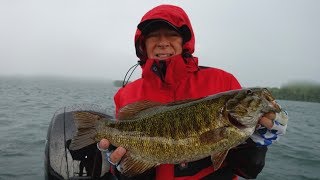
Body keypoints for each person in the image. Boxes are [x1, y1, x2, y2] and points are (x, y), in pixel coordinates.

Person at [97, 4, 287, 180]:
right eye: (154, 36)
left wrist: (255, 143)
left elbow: (246, 166)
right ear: (142, 44)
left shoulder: (224, 81)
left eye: (171, 34)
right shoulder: (125, 94)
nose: (163, 43)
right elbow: (120, 151)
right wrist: (121, 166)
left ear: (184, 42)